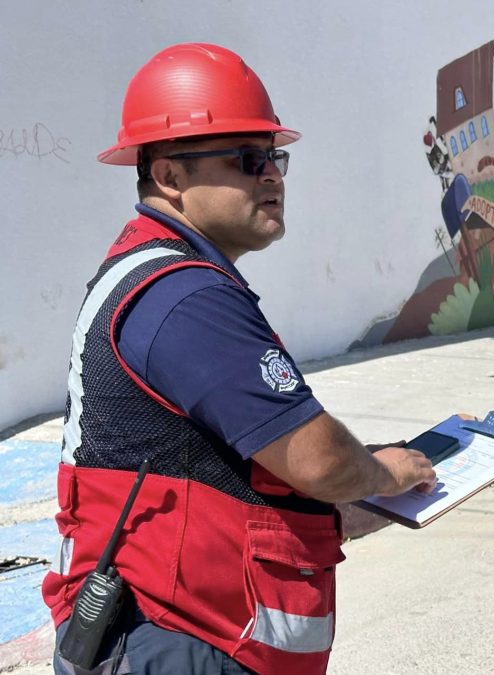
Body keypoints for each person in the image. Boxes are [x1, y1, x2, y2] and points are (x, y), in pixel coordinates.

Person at [42, 43, 436, 675]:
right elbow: (317, 458)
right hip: (180, 639)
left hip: (168, 632)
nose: (273, 176)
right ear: (169, 176)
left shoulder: (164, 275)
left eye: (275, 157)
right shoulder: (185, 297)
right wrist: (381, 472)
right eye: (248, 160)